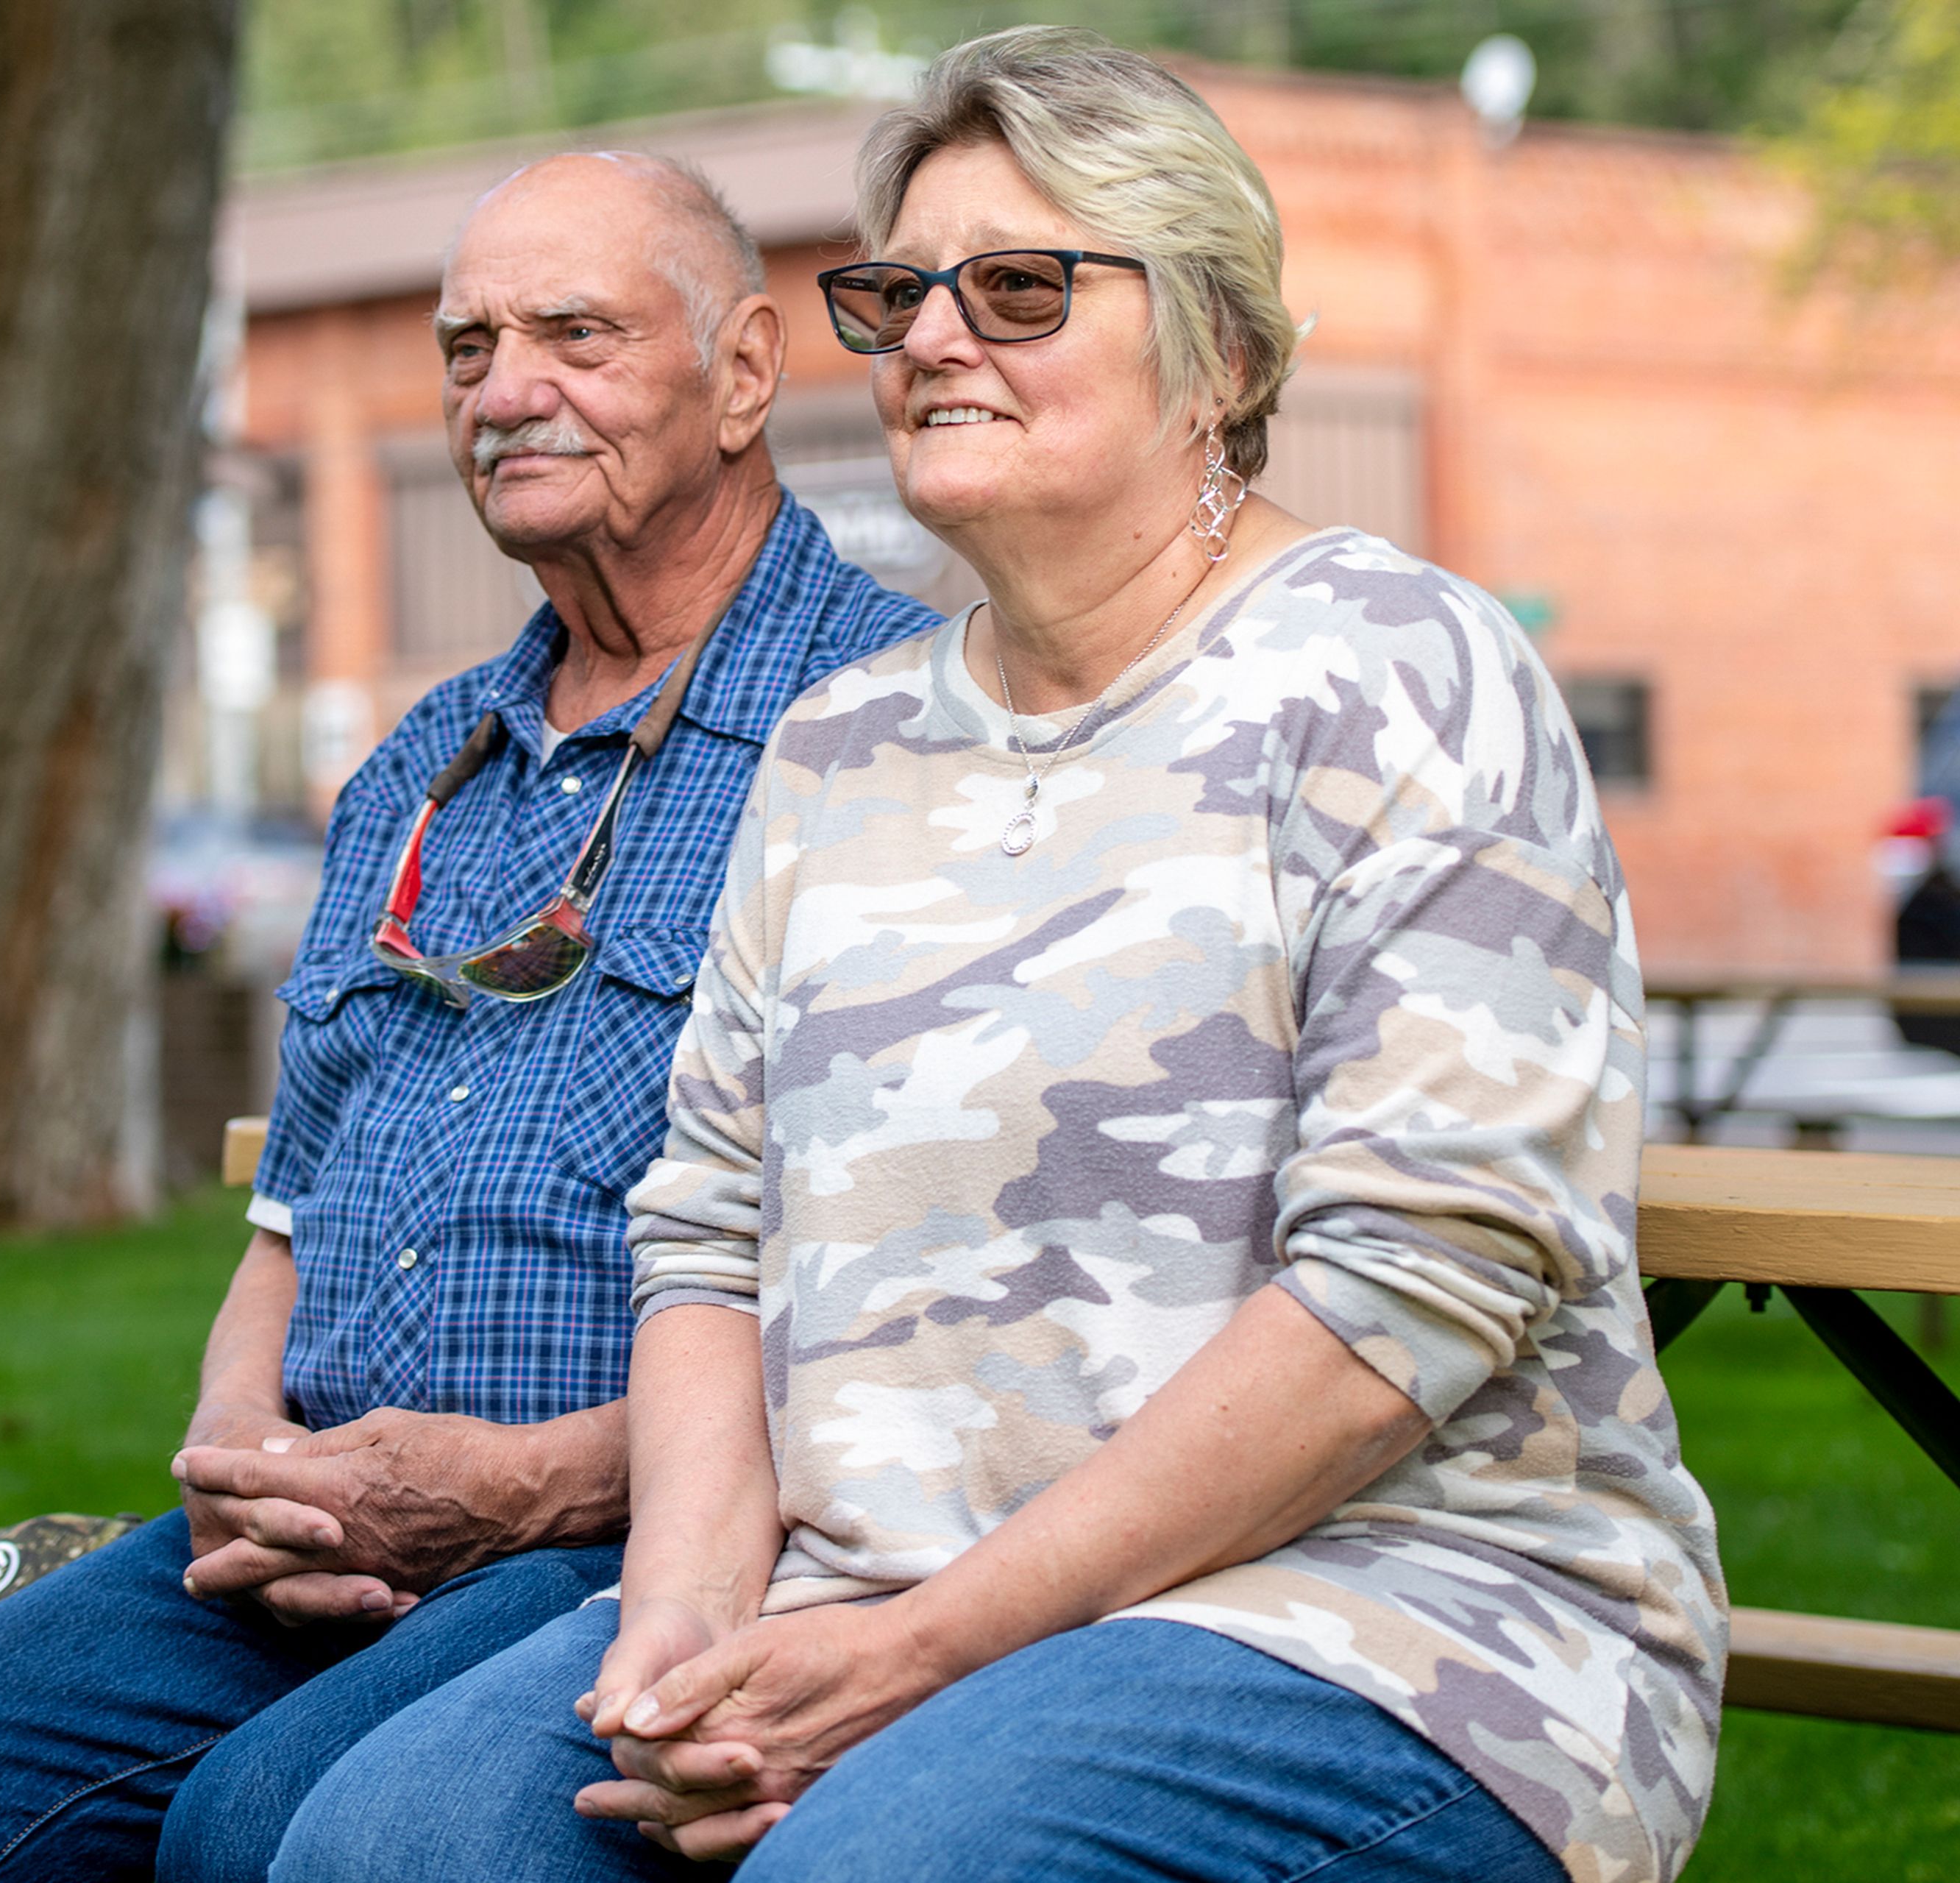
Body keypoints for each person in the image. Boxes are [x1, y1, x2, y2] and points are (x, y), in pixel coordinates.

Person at [272, 29, 1725, 1883]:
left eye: (1022, 288)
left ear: (1226, 353)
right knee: (380, 1848)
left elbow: (1411, 1286)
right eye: (900, 296)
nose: (936, 339)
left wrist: (924, 1655)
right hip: (865, 1601)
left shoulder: (1398, 671)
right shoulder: (838, 746)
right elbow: (711, 1239)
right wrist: (677, 1637)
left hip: (1388, 1626)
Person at [0, 152, 938, 1883]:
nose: (505, 391)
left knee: (264, 1833)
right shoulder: (423, 766)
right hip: (312, 1535)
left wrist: (524, 1482)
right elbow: (287, 1211)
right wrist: (240, 1451)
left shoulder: (892, 733)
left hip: (630, 1533)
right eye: (468, 349)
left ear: (746, 371)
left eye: (575, 334)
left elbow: (903, 1312)